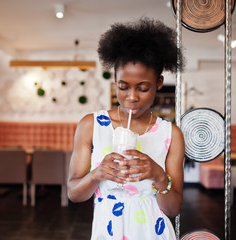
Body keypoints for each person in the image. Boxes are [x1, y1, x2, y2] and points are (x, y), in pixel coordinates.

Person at [67, 17, 185, 240]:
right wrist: (97, 174)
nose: (132, 97)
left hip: (153, 232)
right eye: (123, 87)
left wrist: (159, 175)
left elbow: (173, 209)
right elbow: (73, 193)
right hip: (107, 230)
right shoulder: (91, 125)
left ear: (158, 84)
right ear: (114, 80)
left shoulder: (171, 134)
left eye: (143, 88)